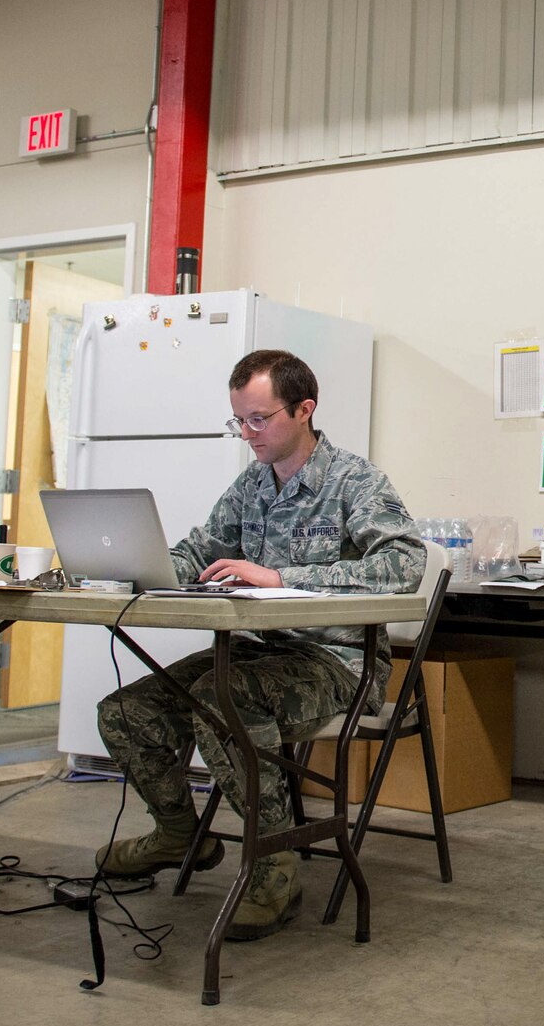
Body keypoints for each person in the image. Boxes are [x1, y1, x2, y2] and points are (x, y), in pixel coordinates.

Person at [93, 348, 425, 942]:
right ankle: (176, 834)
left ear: (304, 410)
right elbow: (200, 549)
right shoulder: (251, 485)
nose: (248, 435)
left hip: (336, 662)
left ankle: (273, 866)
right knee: (126, 712)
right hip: (256, 653)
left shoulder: (355, 481)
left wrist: (281, 577)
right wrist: (134, 567)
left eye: (259, 419)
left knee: (223, 705)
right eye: (239, 421)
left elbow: (404, 563)